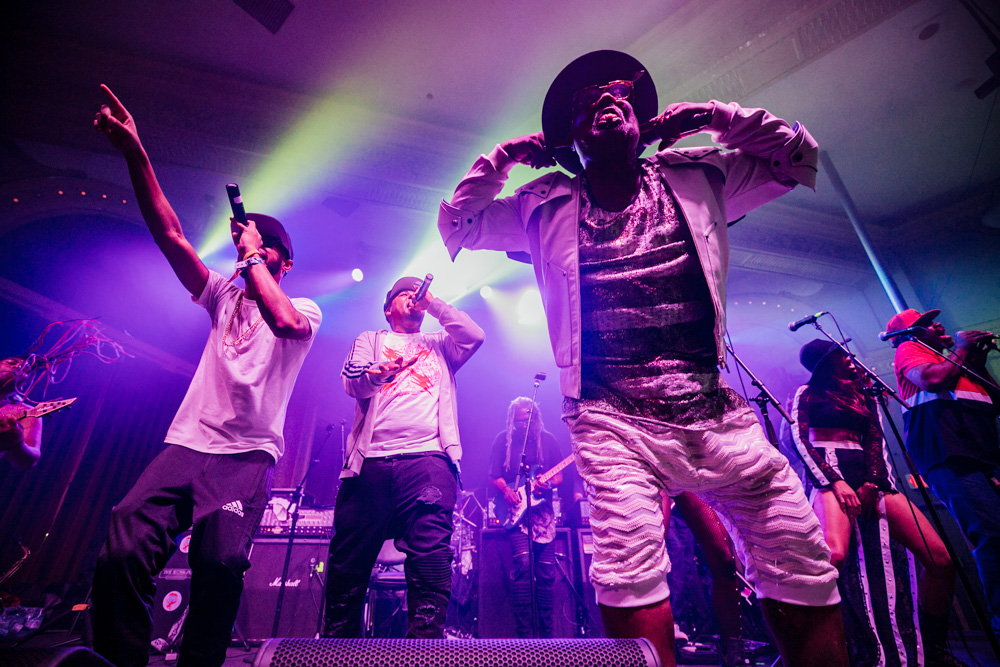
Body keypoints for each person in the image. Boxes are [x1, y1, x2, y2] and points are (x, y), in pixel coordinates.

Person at [438, 50, 845, 666]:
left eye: (618, 94)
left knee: (799, 556)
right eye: (587, 103)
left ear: (643, 121)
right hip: (610, 416)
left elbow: (797, 156)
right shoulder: (542, 204)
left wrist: (713, 115)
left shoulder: (697, 174)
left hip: (714, 410)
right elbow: (459, 224)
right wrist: (504, 159)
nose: (606, 99)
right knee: (626, 566)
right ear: (572, 138)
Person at [91, 85, 322, 667]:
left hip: (246, 457)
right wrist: (136, 153)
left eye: (267, 247)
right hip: (187, 445)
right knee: (123, 543)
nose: (253, 248)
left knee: (219, 565)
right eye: (250, 242)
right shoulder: (221, 296)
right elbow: (171, 236)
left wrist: (250, 256)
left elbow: (284, 320)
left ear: (284, 262)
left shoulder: (308, 309)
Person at [324, 276, 484, 638]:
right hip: (371, 462)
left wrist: (437, 304)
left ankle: (424, 651)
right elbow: (352, 382)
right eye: (405, 295)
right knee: (348, 564)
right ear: (387, 307)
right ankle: (337, 651)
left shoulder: (441, 344)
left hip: (428, 462)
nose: (413, 299)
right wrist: (375, 374)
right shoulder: (371, 340)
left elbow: (475, 336)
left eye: (418, 295)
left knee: (430, 562)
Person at [791, 339, 963, 666]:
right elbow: (800, 440)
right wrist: (833, 481)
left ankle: (933, 647)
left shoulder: (862, 394)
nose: (850, 359)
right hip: (831, 473)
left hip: (870, 477)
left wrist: (872, 481)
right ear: (827, 362)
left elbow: (875, 440)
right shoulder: (807, 393)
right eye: (841, 355)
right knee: (835, 556)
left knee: (940, 558)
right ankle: (825, 644)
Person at [889, 308, 1000, 635]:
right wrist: (963, 349)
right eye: (925, 323)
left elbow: (995, 401)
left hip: (981, 457)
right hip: (948, 457)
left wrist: (976, 362)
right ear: (911, 333)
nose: (936, 324)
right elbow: (932, 379)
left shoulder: (954, 361)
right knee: (992, 532)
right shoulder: (910, 350)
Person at [488, 396, 564, 638]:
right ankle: (524, 636)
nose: (524, 425)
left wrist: (547, 484)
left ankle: (546, 636)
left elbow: (559, 477)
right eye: (519, 421)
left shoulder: (548, 440)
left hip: (543, 515)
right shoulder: (504, 440)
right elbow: (493, 475)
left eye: (528, 420)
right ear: (512, 421)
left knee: (546, 573)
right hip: (515, 515)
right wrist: (507, 490)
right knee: (522, 565)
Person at [0, 357, 42, 470]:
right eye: (11, 363)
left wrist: (18, 442)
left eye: (25, 370)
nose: (16, 367)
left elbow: (30, 461)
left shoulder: (26, 412)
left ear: (22, 385)